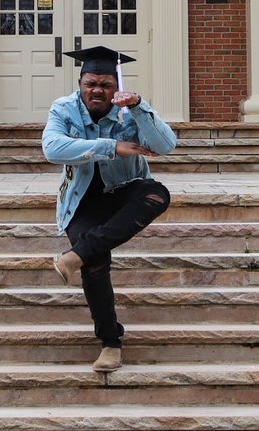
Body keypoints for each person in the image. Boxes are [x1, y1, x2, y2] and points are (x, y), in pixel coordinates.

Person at [41, 45, 177, 372]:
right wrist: (112, 146)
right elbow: (52, 148)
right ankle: (110, 342)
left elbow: (166, 146)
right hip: (82, 200)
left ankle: (75, 255)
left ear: (116, 85)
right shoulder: (64, 108)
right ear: (80, 83)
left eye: (105, 84)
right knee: (95, 262)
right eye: (90, 83)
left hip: (123, 191)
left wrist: (139, 106)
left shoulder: (130, 111)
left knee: (157, 194)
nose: (97, 90)